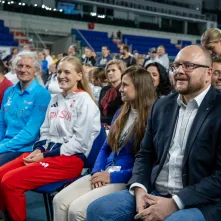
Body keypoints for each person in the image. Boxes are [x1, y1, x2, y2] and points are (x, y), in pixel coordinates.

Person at [87, 45, 221, 221]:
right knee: (97, 210)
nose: (179, 71)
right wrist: (139, 187)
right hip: (153, 191)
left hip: (199, 201)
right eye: (176, 66)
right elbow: (145, 154)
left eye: (189, 66)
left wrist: (175, 203)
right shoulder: (162, 106)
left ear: (208, 73)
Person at [0, 56, 101, 221]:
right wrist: (39, 149)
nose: (62, 75)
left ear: (79, 76)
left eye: (67, 72)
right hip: (47, 153)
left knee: (10, 182)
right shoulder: (55, 99)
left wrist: (45, 155)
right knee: (1, 175)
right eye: (60, 71)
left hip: (70, 159)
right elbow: (44, 130)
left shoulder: (86, 103)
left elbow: (79, 143)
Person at [53, 66, 156, 221]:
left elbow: (145, 164)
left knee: (78, 210)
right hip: (104, 171)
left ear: (140, 88)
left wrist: (111, 177)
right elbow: (105, 147)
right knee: (59, 201)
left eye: (125, 85)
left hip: (125, 179)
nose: (120, 89)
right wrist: (96, 172)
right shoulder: (121, 112)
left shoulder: (152, 119)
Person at [0, 51, 51, 167]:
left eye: (28, 66)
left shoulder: (42, 94)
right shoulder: (9, 92)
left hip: (24, 148)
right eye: (20, 66)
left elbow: (30, 133)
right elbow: (1, 123)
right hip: (5, 144)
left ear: (36, 71)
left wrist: (2, 147)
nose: (23, 70)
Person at [99, 60, 126, 125]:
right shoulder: (104, 90)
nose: (110, 73)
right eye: (108, 71)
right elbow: (99, 111)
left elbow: (122, 115)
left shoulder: (125, 90)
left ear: (122, 72)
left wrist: (99, 119)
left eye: (113, 70)